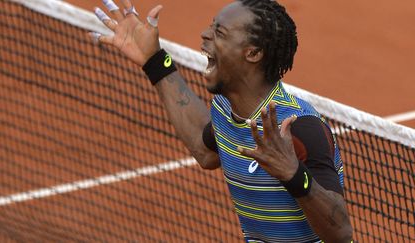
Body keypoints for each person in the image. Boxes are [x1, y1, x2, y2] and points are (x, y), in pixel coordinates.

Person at [90, 0, 353, 242]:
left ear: (253, 53)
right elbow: (205, 152)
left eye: (220, 32)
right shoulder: (226, 107)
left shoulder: (298, 126)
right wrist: (155, 62)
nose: (204, 35)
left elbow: (340, 232)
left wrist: (294, 174)